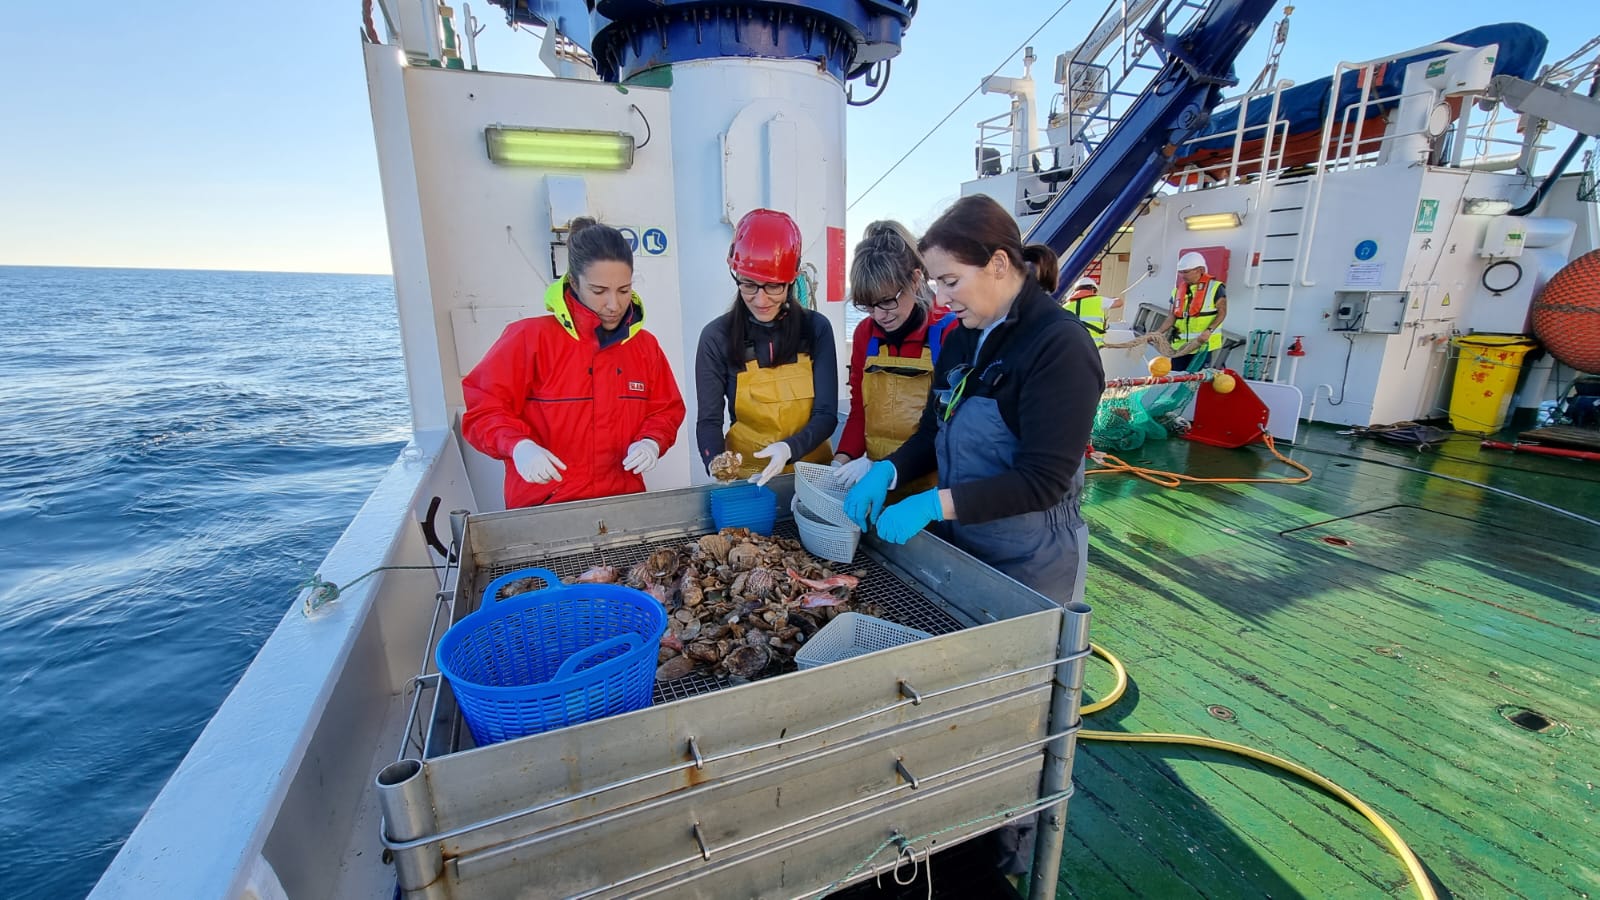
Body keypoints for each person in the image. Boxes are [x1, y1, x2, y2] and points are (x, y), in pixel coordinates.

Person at [843, 192, 1103, 879]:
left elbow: (1044, 478)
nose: (942, 297)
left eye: (950, 282)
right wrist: (890, 470)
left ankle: (1009, 851)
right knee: (962, 700)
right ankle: (950, 817)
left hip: (1030, 560)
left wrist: (933, 504)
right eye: (935, 285)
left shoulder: (1059, 347)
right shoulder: (961, 337)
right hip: (965, 548)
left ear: (997, 264)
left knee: (1019, 717)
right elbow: (935, 429)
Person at [461, 217, 686, 508]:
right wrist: (518, 446)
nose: (614, 304)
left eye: (623, 290)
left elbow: (666, 410)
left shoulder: (645, 347)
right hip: (544, 508)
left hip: (623, 504)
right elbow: (484, 409)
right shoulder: (528, 338)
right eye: (599, 291)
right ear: (574, 283)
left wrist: (652, 440)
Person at [695, 208, 838, 486]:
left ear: (791, 280)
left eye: (773, 287)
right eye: (749, 285)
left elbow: (826, 415)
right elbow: (709, 421)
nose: (761, 300)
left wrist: (789, 449)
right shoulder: (716, 337)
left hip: (812, 479)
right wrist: (715, 462)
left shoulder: (816, 329)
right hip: (748, 478)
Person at [832, 221, 958, 493]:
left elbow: (951, 431)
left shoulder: (949, 333)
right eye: (868, 305)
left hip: (931, 492)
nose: (879, 315)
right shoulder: (867, 334)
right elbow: (859, 412)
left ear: (914, 280)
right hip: (875, 486)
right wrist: (838, 464)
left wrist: (889, 469)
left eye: (887, 301)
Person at [1154, 251, 1227, 370]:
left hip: (1203, 346)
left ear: (1200, 270)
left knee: (1196, 381)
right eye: (1180, 272)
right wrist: (1158, 332)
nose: (1183, 275)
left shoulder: (1215, 288)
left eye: (1186, 272)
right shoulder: (1177, 291)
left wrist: (1209, 330)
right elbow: (1171, 317)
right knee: (1176, 379)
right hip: (1180, 348)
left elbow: (1222, 312)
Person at [1062, 276, 1121, 348]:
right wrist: (1111, 298)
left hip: (1073, 347)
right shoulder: (1099, 300)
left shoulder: (1066, 306)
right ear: (1093, 290)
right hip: (1092, 347)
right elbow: (1119, 302)